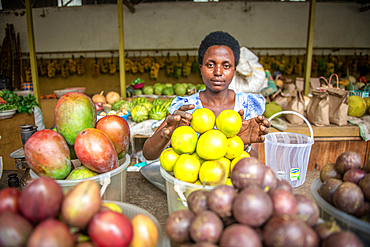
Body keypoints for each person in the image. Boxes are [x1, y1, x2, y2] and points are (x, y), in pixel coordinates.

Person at [143, 31, 270, 161]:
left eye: (226, 66)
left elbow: (254, 159)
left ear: (234, 70)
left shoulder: (248, 105)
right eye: (210, 65)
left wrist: (241, 143)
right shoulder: (186, 108)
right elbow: (148, 154)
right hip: (189, 177)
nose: (218, 72)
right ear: (201, 68)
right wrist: (166, 133)